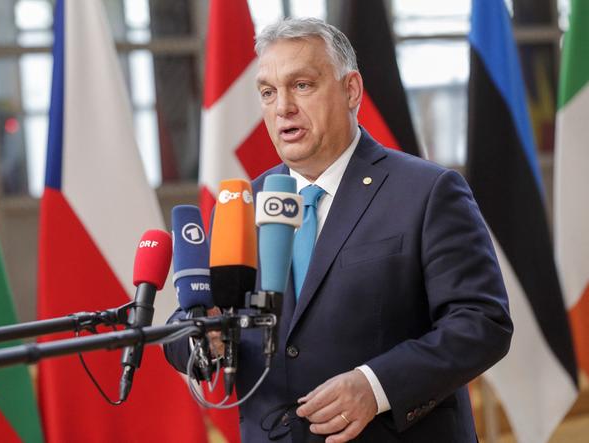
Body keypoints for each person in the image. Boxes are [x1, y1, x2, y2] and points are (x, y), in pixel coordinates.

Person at [165, 18, 512, 442]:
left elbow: (482, 323)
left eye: (302, 85)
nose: (282, 108)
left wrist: (375, 385)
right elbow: (189, 324)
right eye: (268, 92)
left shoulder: (427, 192)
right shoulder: (241, 206)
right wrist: (206, 337)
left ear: (351, 90)